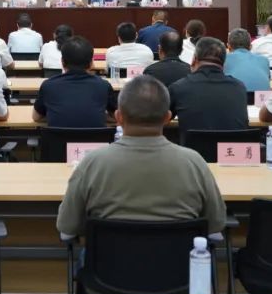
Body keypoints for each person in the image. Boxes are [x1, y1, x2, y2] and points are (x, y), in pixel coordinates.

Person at [56, 75, 227, 239]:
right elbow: (216, 224)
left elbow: (68, 228)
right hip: (180, 260)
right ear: (168, 118)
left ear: (118, 117)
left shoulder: (92, 163)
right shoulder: (194, 162)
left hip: (108, 259)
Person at [169, 38, 249, 135]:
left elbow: (162, 118)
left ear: (193, 60)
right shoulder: (239, 88)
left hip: (194, 144)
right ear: (224, 64)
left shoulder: (178, 87)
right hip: (233, 145)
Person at [34, 36, 117, 127]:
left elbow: (36, 117)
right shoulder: (104, 86)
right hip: (94, 136)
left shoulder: (48, 85)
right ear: (91, 63)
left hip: (58, 137)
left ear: (62, 62)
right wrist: (101, 116)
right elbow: (116, 116)